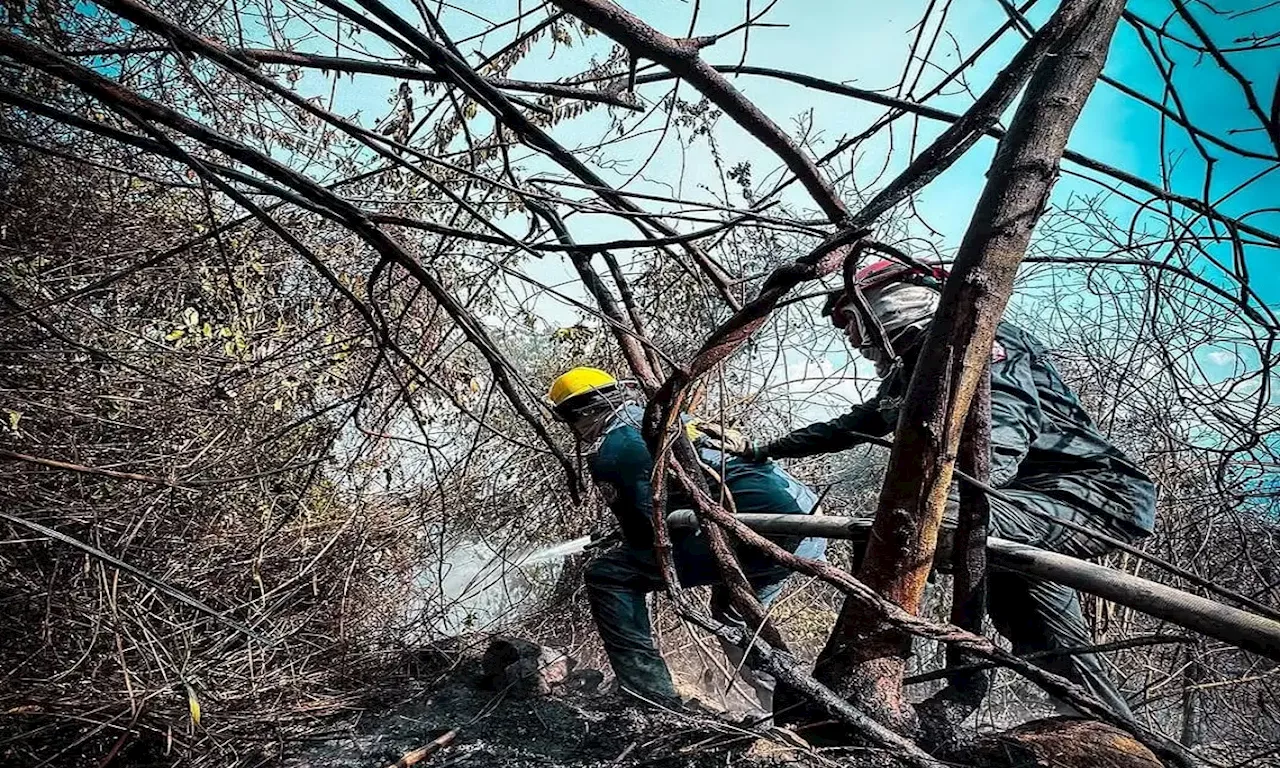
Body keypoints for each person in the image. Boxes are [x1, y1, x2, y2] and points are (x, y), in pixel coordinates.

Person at [711, 260, 1157, 719]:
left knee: (909, 526)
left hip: (1085, 494)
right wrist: (763, 449)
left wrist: (954, 501)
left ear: (891, 303)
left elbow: (1003, 424)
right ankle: (1119, 733)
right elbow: (853, 425)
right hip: (1017, 506)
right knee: (1044, 642)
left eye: (852, 319)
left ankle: (867, 675)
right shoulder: (912, 372)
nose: (852, 338)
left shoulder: (982, 344)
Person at [546, 366, 827, 712]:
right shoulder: (667, 419)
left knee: (609, 575)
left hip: (759, 532)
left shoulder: (618, 444)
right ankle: (786, 705)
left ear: (577, 413)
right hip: (807, 527)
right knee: (734, 615)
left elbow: (646, 532)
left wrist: (627, 536)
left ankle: (650, 697)